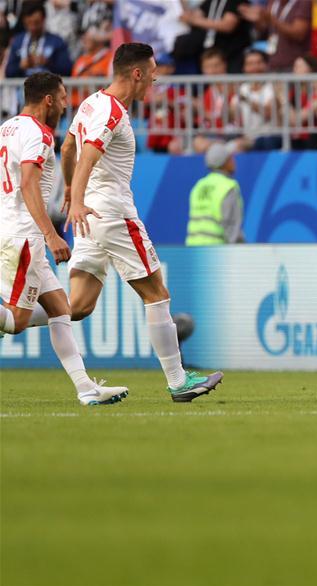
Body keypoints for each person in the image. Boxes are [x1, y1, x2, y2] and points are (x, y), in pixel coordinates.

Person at [61, 43, 224, 403]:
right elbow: (87, 155)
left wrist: (74, 195)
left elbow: (67, 148)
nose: (155, 77)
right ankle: (178, 380)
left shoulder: (91, 103)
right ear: (136, 73)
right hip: (114, 214)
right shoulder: (113, 113)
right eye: (152, 71)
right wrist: (76, 198)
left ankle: (10, 318)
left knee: (77, 306)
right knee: (157, 294)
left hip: (90, 217)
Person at [0, 72, 128, 406]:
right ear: (47, 100)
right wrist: (51, 234)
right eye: (61, 98)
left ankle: (86, 388)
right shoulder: (39, 135)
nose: (63, 104)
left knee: (60, 308)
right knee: (15, 321)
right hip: (25, 235)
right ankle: (86, 388)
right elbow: (28, 184)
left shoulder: (8, 127)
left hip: (14, 229)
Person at [186, 142, 245, 245]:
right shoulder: (228, 187)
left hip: (192, 250)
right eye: (230, 158)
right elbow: (232, 228)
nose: (234, 161)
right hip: (216, 252)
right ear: (224, 162)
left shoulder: (199, 186)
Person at [4, 1, 72, 78]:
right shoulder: (17, 41)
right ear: (24, 21)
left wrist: (48, 63)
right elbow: (8, 72)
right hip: (22, 88)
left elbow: (68, 70)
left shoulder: (57, 42)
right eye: (29, 23)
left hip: (48, 88)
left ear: (44, 19)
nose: (33, 27)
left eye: (36, 23)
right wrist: (20, 66)